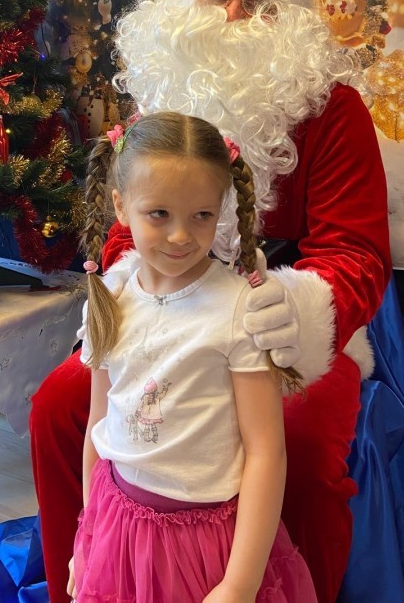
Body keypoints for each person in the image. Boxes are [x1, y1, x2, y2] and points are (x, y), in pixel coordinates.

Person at [30, 0, 391, 603]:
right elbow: (127, 221)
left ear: (291, 21)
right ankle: (83, 574)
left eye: (254, 2)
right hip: (159, 302)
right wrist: (125, 289)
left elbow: (356, 252)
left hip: (272, 322)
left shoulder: (335, 110)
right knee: (59, 405)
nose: (230, 14)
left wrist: (292, 310)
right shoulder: (165, 90)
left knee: (304, 447)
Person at [68, 111, 316, 602]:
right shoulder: (108, 298)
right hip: (118, 530)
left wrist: (240, 584)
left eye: (201, 215)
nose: (181, 236)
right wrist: (89, 535)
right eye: (159, 214)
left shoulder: (239, 309)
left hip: (204, 546)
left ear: (221, 207)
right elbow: (100, 426)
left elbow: (266, 451)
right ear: (121, 206)